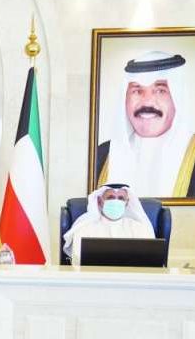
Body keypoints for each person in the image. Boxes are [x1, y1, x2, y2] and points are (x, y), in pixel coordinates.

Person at [96, 51, 195, 197]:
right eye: (137, 91)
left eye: (160, 91)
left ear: (177, 96)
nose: (147, 102)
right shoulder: (102, 154)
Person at [63, 184, 155, 266]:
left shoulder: (139, 228)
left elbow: (149, 260)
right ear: (99, 201)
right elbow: (78, 261)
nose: (116, 202)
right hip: (94, 277)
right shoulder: (85, 227)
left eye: (121, 198)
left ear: (127, 203)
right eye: (110, 197)